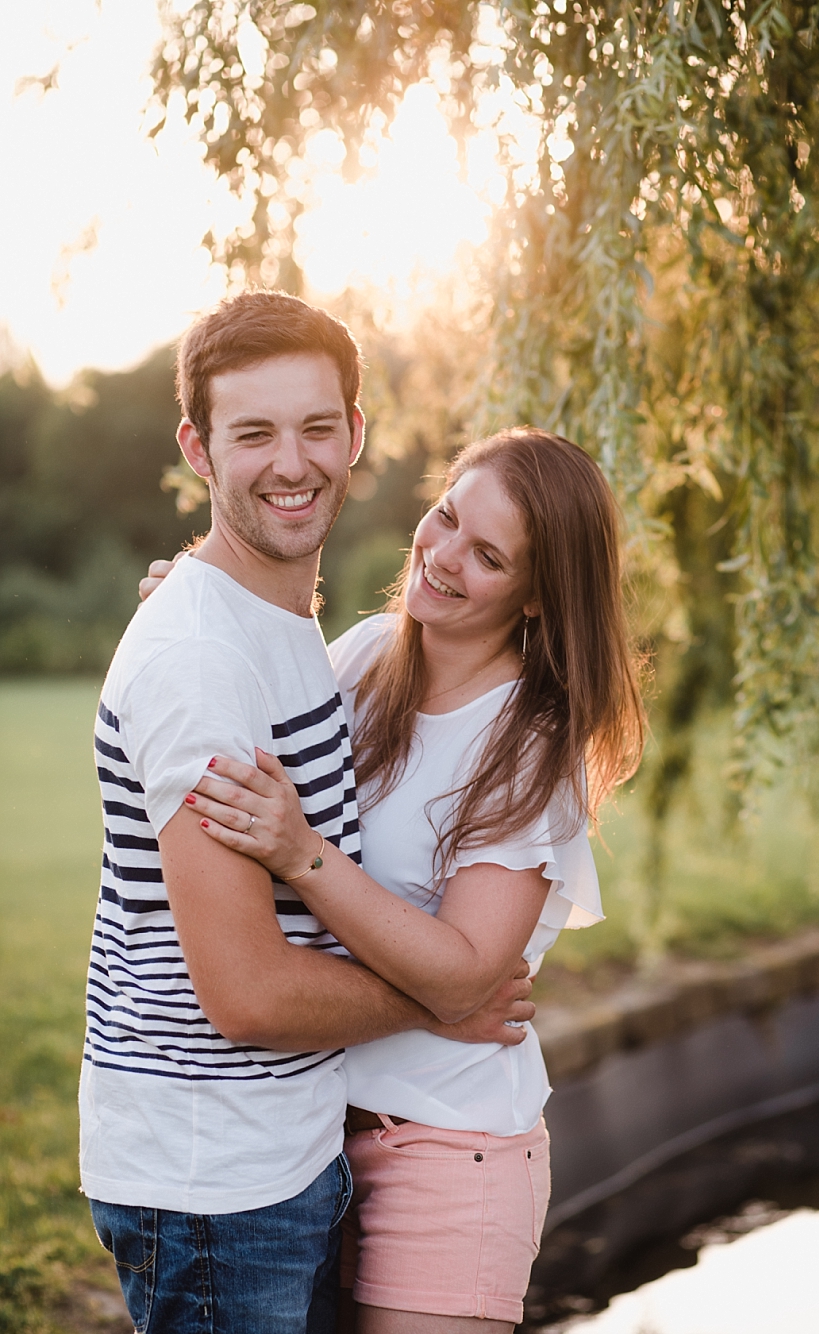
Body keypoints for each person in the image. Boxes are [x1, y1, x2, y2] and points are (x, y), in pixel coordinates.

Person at [84, 291, 533, 1334]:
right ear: (198, 448)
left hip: (282, 1154)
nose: (292, 462)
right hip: (211, 1183)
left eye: (316, 426)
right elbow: (244, 992)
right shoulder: (205, 660)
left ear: (356, 435)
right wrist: (440, 1004)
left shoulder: (288, 627)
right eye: (253, 433)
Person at [143, 427, 645, 1331]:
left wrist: (303, 855)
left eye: (487, 557)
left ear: (536, 599)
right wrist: (193, 612)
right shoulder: (367, 654)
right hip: (311, 1141)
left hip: (452, 1154)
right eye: (447, 517)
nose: (444, 556)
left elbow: (464, 972)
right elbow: (240, 710)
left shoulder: (530, 747)